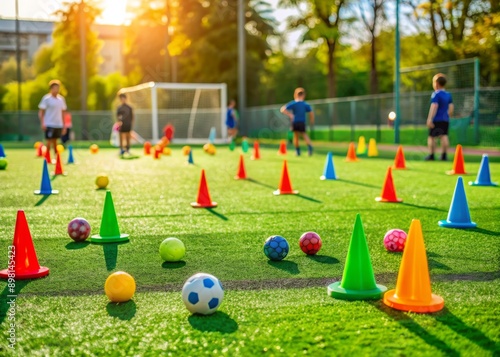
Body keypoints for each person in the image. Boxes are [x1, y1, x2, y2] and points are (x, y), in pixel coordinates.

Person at [425, 73, 454, 161]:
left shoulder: (436, 94)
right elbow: (451, 107)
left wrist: (430, 119)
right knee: (444, 136)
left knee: (431, 137)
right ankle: (444, 155)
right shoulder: (448, 94)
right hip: (445, 119)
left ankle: (431, 155)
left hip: (436, 119)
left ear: (436, 83)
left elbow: (434, 106)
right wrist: (449, 116)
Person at [280, 87, 315, 156]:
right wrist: (312, 120)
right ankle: (310, 147)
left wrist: (290, 115)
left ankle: (297, 150)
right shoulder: (305, 104)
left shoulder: (294, 103)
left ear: (296, 95)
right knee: (304, 134)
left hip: (295, 121)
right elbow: (311, 112)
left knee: (296, 136)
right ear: (303, 95)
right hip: (302, 122)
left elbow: (282, 109)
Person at [38, 79, 67, 156]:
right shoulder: (46, 99)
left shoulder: (61, 99)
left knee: (55, 141)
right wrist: (42, 123)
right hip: (49, 123)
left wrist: (64, 125)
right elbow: (41, 112)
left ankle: (56, 158)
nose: (57, 90)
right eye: (55, 88)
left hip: (58, 124)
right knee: (49, 141)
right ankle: (47, 158)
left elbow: (63, 113)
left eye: (58, 88)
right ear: (51, 89)